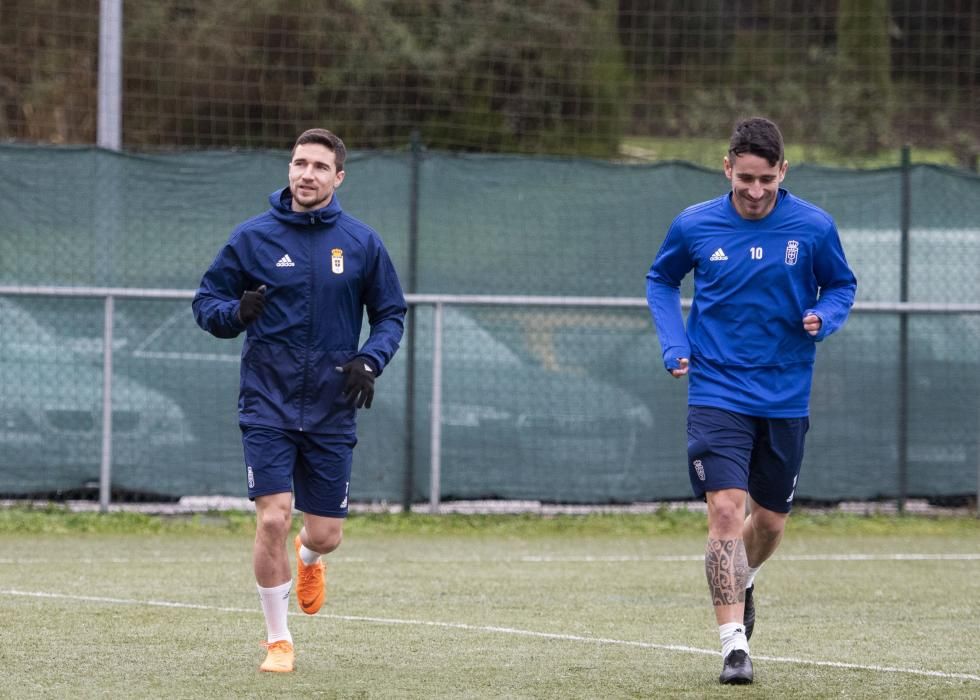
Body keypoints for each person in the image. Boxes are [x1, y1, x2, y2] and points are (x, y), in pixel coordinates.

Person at [645, 117, 856, 685]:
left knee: (769, 523)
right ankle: (733, 646)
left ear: (782, 171)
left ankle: (748, 575)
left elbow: (842, 285)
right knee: (724, 510)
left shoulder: (812, 227)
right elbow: (661, 280)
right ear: (727, 169)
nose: (756, 192)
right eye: (744, 180)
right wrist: (674, 342)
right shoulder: (695, 225)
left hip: (785, 395)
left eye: (766, 179)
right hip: (716, 389)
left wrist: (825, 317)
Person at [193, 128, 407, 673]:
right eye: (298, 163)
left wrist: (369, 360)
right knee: (272, 519)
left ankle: (310, 560)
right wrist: (233, 315)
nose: (305, 174)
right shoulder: (253, 238)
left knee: (324, 534)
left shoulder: (361, 243)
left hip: (333, 406)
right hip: (267, 400)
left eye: (317, 166)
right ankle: (278, 640)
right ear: (288, 169)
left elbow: (390, 314)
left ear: (338, 177)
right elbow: (207, 301)